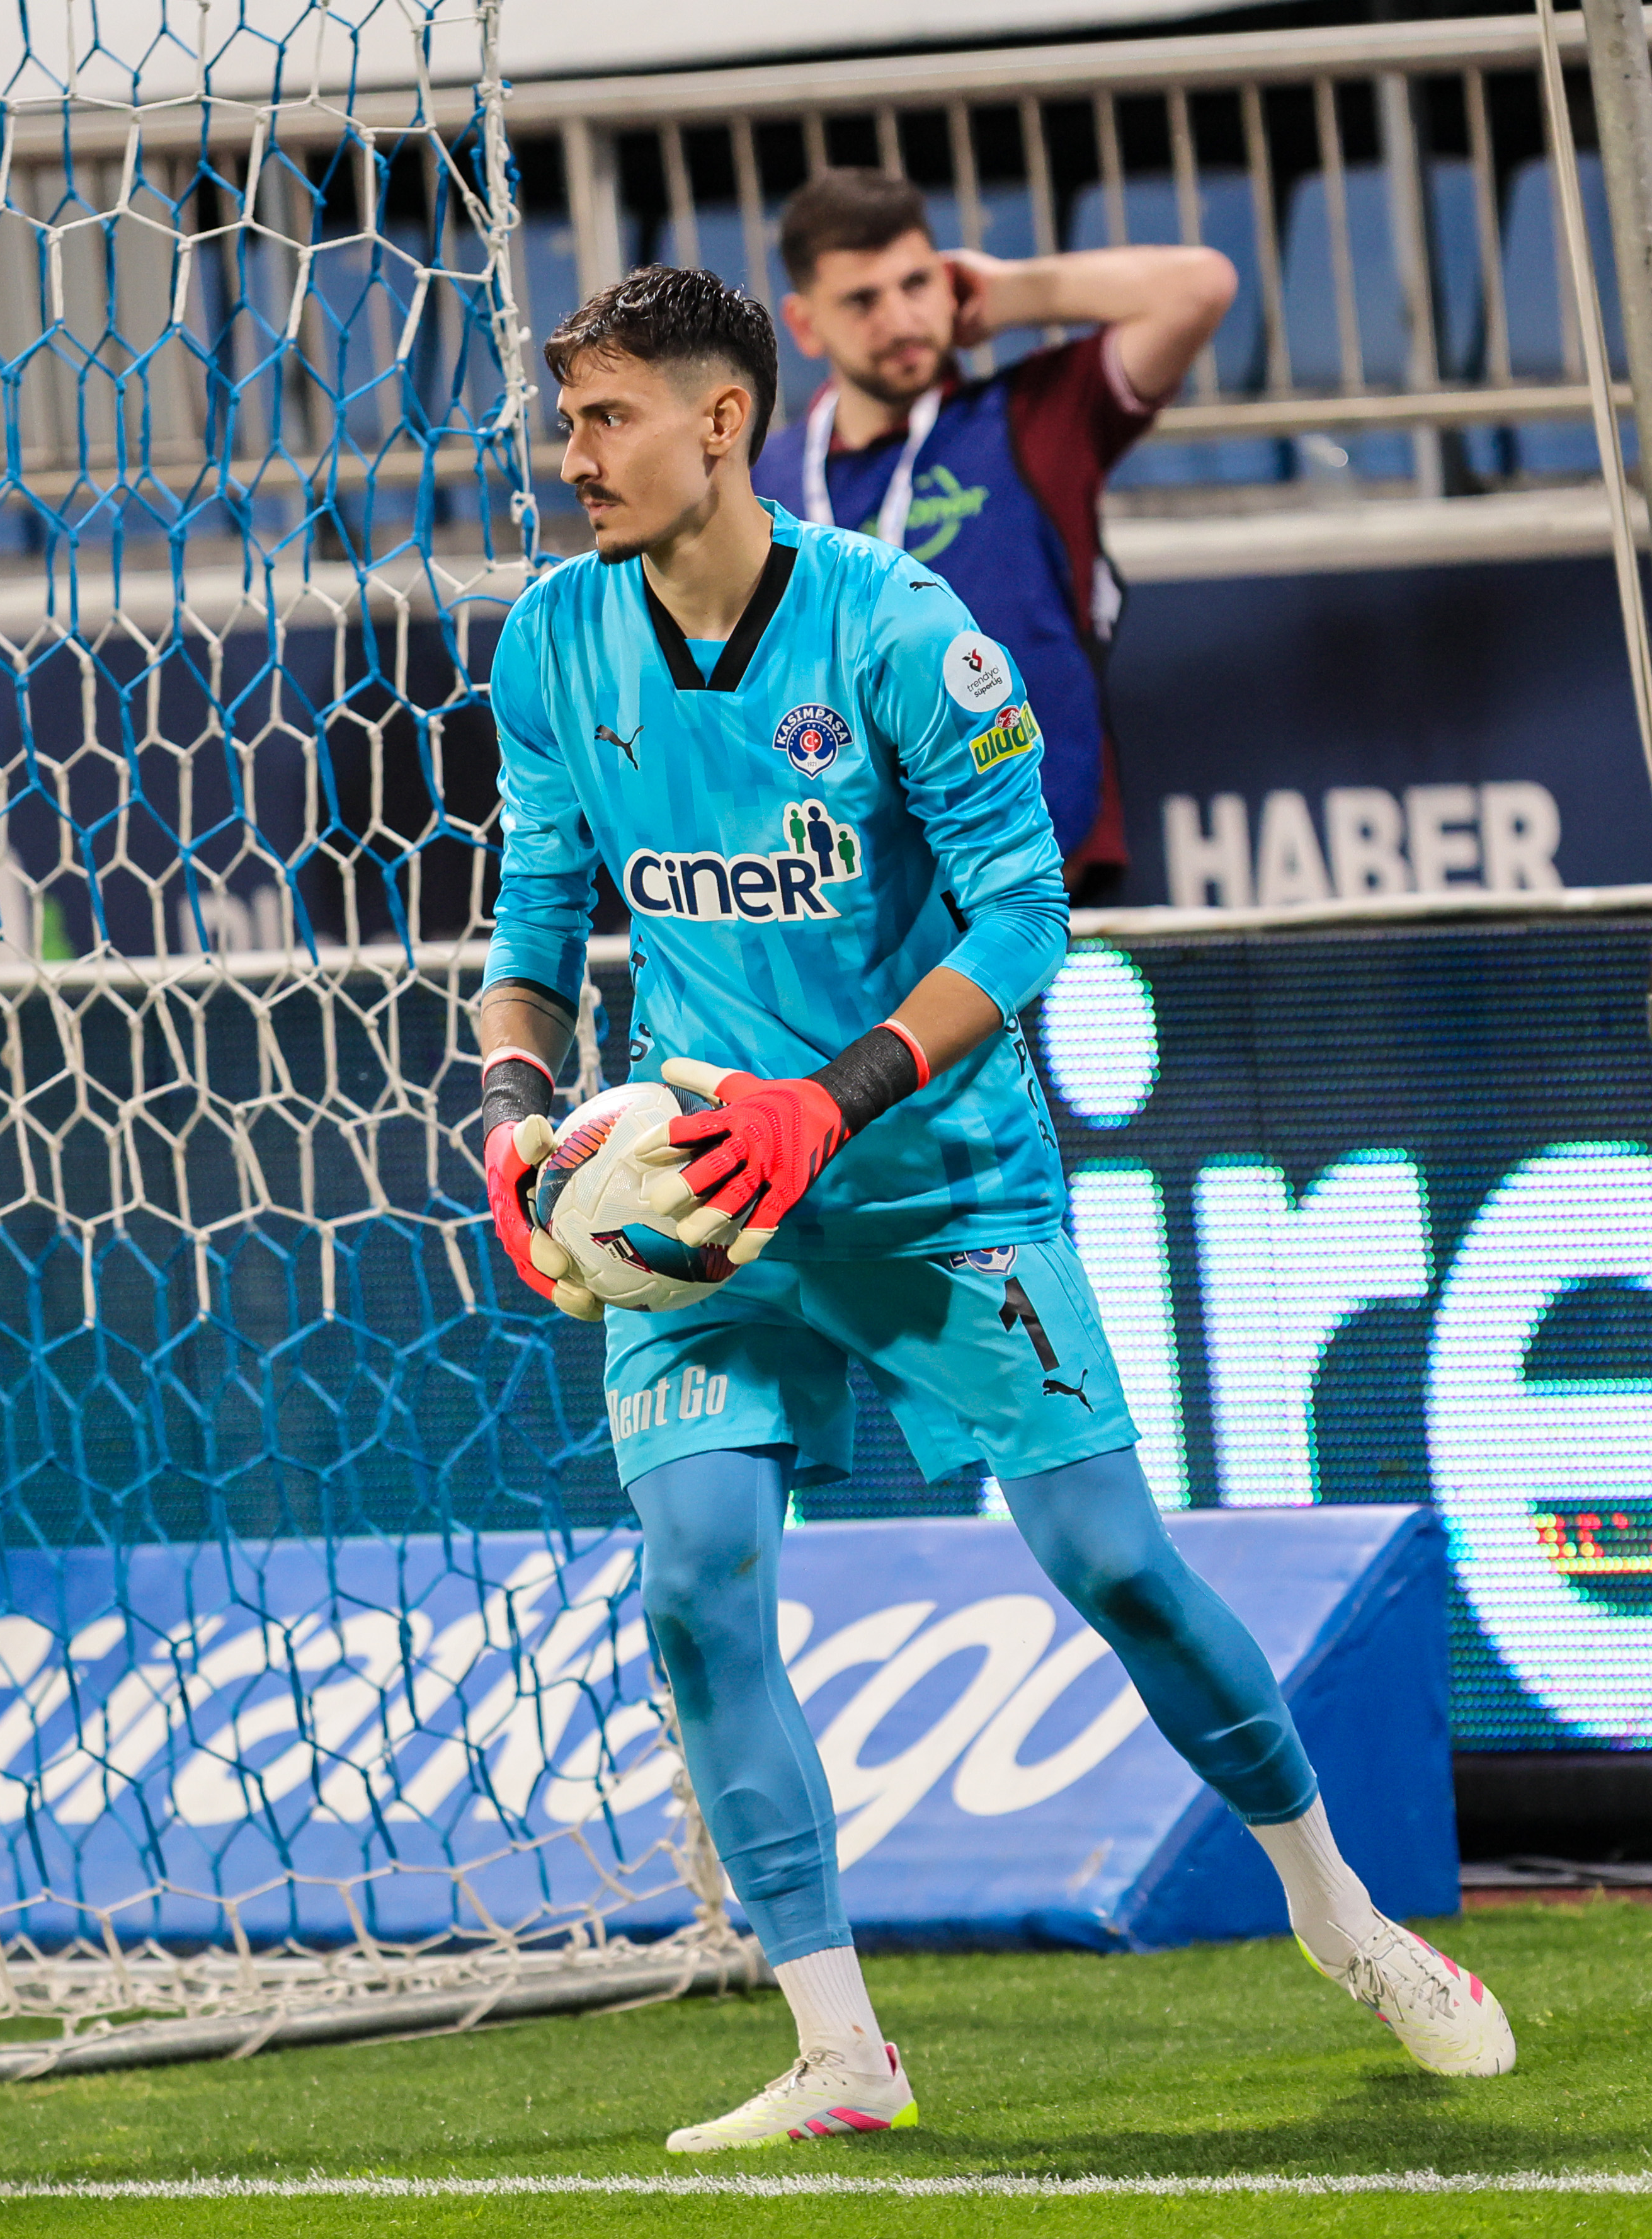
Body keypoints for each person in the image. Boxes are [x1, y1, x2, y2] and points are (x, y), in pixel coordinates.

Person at [476, 264, 1514, 2155]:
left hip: (934, 1178)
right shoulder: (550, 642)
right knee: (692, 1581)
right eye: (569, 420)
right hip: (705, 1200)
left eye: (606, 416)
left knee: (1112, 1559)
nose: (573, 456)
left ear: (722, 420)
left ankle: (1338, 1914)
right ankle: (839, 2045)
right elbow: (533, 922)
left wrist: (830, 1098)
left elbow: (1024, 916)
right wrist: (511, 1109)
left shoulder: (895, 629)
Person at [751, 168, 1236, 896]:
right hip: (846, 893)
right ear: (804, 325)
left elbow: (1200, 286)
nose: (900, 320)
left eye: (917, 284)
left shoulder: (1037, 418)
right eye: (862, 300)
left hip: (1033, 873)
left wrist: (1010, 294)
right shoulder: (763, 485)